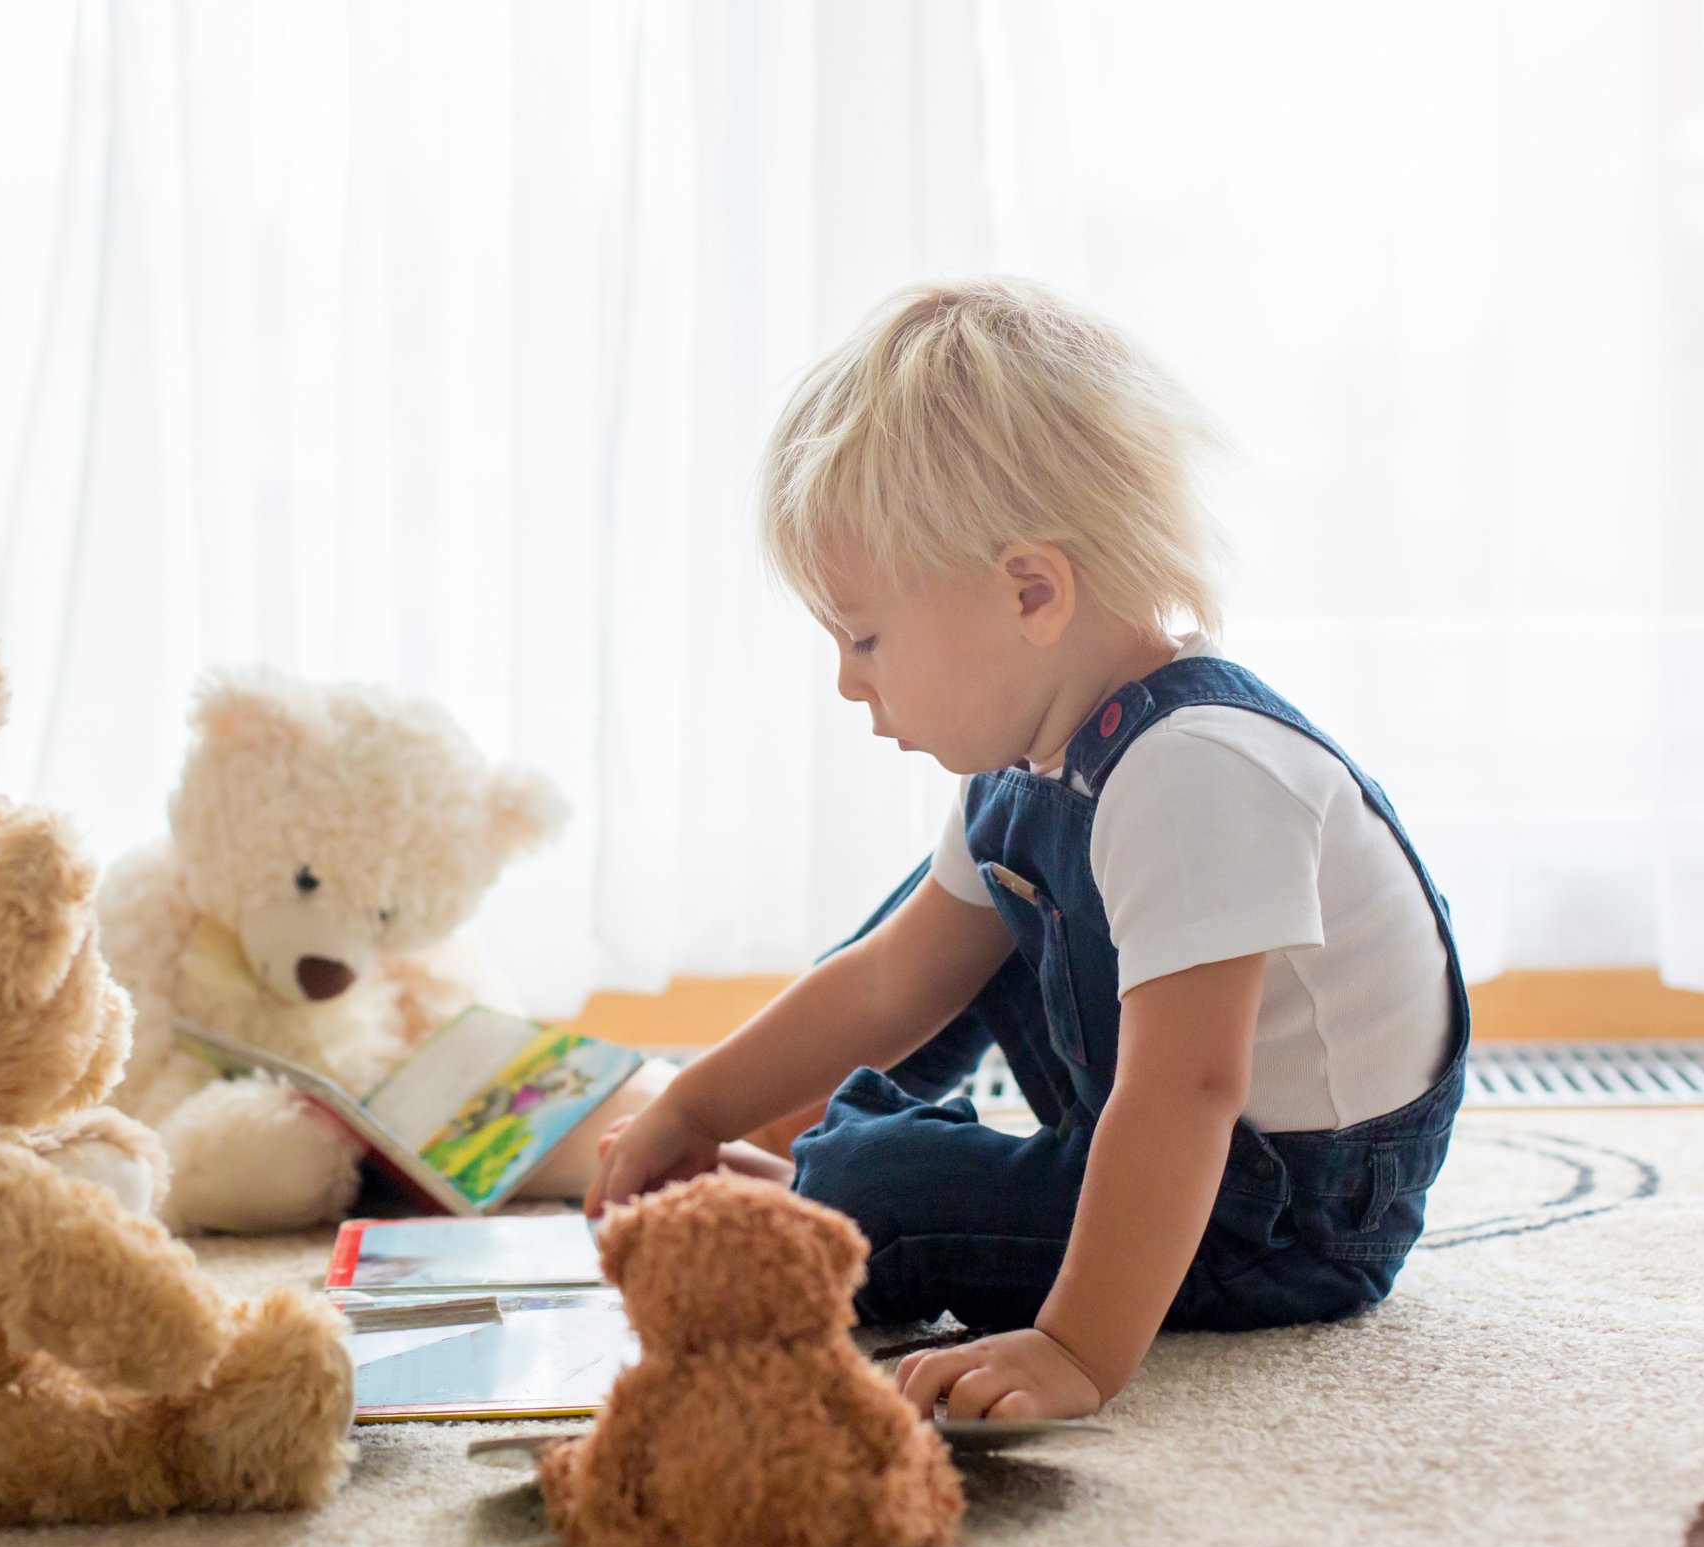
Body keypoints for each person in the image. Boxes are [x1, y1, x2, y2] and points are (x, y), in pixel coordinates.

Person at [587, 277, 1468, 1423]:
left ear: (1031, 591)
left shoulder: (1196, 769)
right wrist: (694, 1105)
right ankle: (795, 1136)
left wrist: (1073, 1349)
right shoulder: (1037, 759)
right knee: (952, 911)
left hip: (1284, 1211)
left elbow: (1188, 1090)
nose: (849, 680)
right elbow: (886, 982)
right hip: (1174, 1136)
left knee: (883, 1191)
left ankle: (831, 1169)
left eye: (862, 636)